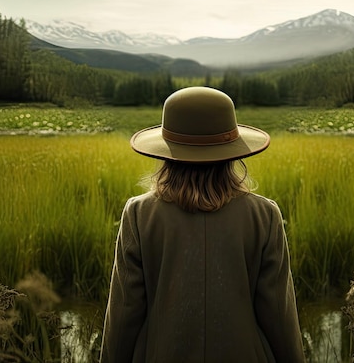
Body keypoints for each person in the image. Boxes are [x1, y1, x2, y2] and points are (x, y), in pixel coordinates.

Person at [100, 86, 306, 363]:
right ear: (231, 151)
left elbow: (124, 314)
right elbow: (279, 316)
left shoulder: (138, 214)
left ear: (166, 152)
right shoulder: (264, 215)